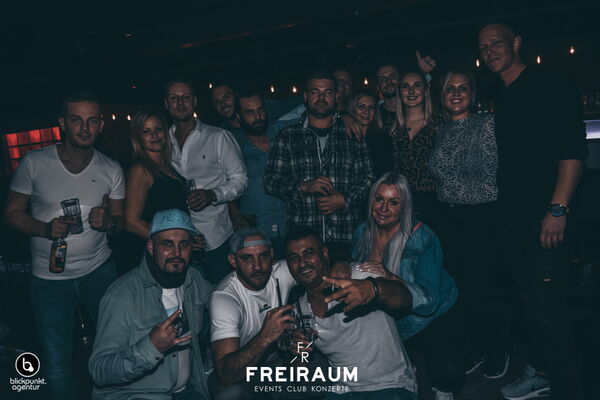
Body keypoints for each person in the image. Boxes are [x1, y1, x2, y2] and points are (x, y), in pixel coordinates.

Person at [478, 23, 587, 400]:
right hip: (514, 222)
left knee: (551, 315)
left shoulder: (548, 83)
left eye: (496, 43)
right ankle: (541, 372)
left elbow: (573, 149)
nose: (489, 51)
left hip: (546, 220)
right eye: (483, 47)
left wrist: (558, 208)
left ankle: (571, 388)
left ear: (516, 43)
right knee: (532, 309)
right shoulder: (502, 95)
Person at [4, 91, 125, 400]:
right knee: (57, 363)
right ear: (62, 123)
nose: (84, 128)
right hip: (49, 282)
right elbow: (12, 213)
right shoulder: (34, 163)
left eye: (92, 121)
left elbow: (120, 223)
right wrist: (44, 228)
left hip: (100, 273)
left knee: (117, 348)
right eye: (76, 120)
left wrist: (108, 222)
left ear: (100, 126)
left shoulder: (111, 168)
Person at [352, 172, 462, 399]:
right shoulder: (362, 232)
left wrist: (391, 277)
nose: (383, 208)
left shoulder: (423, 239)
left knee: (446, 374)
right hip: (389, 313)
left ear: (405, 207)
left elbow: (429, 301)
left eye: (393, 202)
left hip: (433, 314)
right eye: (379, 199)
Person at [428, 69, 507, 379]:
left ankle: (497, 348)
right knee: (458, 291)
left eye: (463, 88)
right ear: (442, 96)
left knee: (481, 290)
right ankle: (477, 347)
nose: (456, 93)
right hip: (449, 219)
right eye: (450, 89)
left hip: (481, 216)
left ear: (473, 95)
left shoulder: (489, 124)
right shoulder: (440, 130)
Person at [89, 209, 214, 399]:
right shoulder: (122, 295)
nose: (177, 252)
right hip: (136, 395)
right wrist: (151, 347)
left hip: (186, 391)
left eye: (183, 244)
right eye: (167, 244)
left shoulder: (193, 279)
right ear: (150, 247)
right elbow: (100, 370)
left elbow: (219, 297)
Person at [285, 226, 417, 399]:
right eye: (294, 258)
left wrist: (374, 289)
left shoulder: (359, 275)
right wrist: (299, 354)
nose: (302, 263)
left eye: (309, 253)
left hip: (390, 384)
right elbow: (298, 373)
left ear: (324, 253)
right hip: (341, 391)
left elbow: (405, 299)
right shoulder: (299, 309)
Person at [264, 71, 375, 259]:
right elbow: (270, 181)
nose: (321, 98)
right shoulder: (287, 136)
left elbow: (368, 178)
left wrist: (346, 199)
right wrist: (303, 186)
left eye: (328, 92)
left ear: (336, 96)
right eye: (315, 92)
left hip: (346, 235)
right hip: (303, 239)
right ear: (305, 96)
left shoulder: (352, 133)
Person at [165, 78, 248, 284]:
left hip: (216, 238)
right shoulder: (162, 142)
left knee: (221, 293)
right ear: (166, 104)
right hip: (178, 238)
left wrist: (212, 194)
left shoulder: (218, 137)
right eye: (174, 98)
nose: (180, 103)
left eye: (185, 97)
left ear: (194, 101)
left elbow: (240, 179)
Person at [209, 227, 296, 399]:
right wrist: (266, 336)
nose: (257, 266)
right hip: (241, 367)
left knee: (317, 373)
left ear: (272, 255)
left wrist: (344, 267)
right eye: (247, 258)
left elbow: (319, 265)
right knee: (229, 394)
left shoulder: (281, 272)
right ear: (233, 260)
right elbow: (226, 376)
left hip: (276, 360)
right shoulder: (225, 298)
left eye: (263, 256)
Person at [124, 108, 205, 264]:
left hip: (175, 252)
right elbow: (131, 222)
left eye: (158, 129)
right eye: (146, 131)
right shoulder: (140, 170)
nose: (154, 135)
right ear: (138, 138)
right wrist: (170, 243)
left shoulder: (168, 166)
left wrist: (189, 236)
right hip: (157, 256)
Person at [232, 91, 287, 257]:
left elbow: (311, 115)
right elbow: (224, 185)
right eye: (250, 112)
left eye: (260, 109)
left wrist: (343, 116)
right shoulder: (234, 148)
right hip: (257, 232)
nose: (258, 116)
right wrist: (235, 214)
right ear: (238, 117)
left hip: (290, 226)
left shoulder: (283, 133)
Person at [392, 70, 440, 228]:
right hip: (399, 203)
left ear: (425, 90)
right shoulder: (390, 126)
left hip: (434, 204)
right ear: (400, 92)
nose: (411, 91)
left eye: (417, 85)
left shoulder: (439, 123)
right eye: (405, 86)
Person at [348, 90, 394, 177]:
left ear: (375, 112)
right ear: (353, 109)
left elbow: (386, 173)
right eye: (361, 107)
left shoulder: (382, 139)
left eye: (371, 107)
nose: (366, 112)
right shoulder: (344, 136)